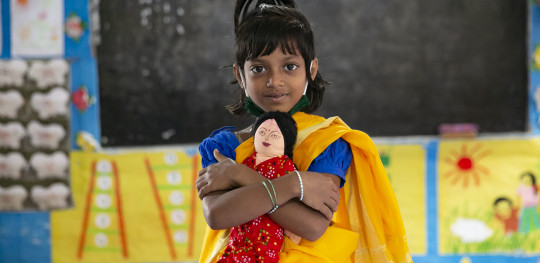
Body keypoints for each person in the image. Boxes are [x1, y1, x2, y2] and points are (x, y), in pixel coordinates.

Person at [196, 0, 411, 262]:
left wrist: (239, 174)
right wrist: (297, 184)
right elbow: (218, 214)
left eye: (289, 66)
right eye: (258, 69)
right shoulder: (223, 146)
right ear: (240, 76)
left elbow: (312, 227)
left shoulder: (327, 141)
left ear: (311, 69)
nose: (274, 80)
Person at [218, 111, 299, 262]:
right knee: (234, 251)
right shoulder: (247, 162)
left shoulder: (286, 167)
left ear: (286, 141)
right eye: (261, 132)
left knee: (265, 255)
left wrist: (293, 227)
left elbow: (292, 195)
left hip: (269, 226)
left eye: (274, 135)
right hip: (243, 222)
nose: (266, 137)